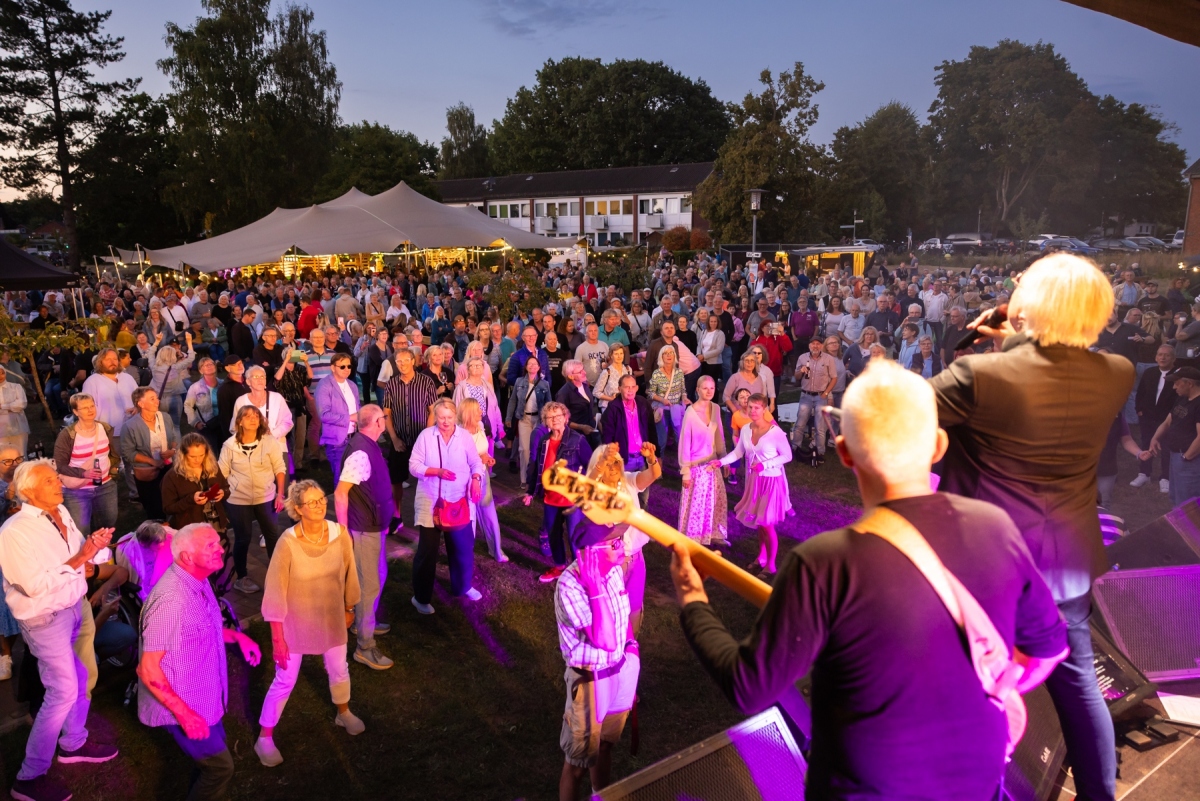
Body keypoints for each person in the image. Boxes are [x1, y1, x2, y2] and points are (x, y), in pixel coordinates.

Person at [671, 360, 1069, 800]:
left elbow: (748, 685)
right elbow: (1047, 649)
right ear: (938, 446)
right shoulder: (996, 527)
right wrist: (988, 688)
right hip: (976, 782)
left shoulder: (825, 564)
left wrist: (692, 600)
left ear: (844, 452)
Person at [930, 254, 1134, 801]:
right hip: (1066, 563)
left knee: (973, 691)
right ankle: (1100, 794)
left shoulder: (980, 375)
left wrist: (990, 341)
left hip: (986, 567)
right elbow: (1047, 375)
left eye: (1022, 285)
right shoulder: (1117, 373)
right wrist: (1015, 339)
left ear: (1029, 306)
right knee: (1080, 686)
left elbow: (908, 415)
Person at [0, 459, 118, 801]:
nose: (59, 483)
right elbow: (35, 586)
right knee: (63, 689)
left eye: (56, 478)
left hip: (76, 607)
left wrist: (94, 547)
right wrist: (82, 557)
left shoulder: (62, 513)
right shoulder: (13, 533)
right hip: (45, 619)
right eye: (50, 480)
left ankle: (73, 744)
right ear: (29, 491)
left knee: (80, 678)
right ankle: (29, 778)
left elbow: (80, 553)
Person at [138, 523, 262, 801]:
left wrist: (238, 638)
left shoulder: (197, 578)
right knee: (219, 768)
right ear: (186, 557)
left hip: (205, 696)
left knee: (211, 764)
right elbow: (147, 668)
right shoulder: (170, 600)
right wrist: (184, 714)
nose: (221, 548)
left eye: (218, 542)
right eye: (211, 546)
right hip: (185, 702)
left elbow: (202, 627)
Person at [254, 480, 363, 767]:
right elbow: (275, 590)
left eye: (321, 500)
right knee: (285, 679)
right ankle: (264, 737)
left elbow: (350, 572)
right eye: (312, 502)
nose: (319, 505)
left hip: (331, 616)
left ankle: (343, 712)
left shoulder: (340, 534)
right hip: (296, 621)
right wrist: (277, 637)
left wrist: (349, 606)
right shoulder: (288, 542)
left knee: (339, 668)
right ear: (298, 509)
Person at [554, 517, 640, 801]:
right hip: (591, 683)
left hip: (619, 672)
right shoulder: (570, 586)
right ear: (590, 553)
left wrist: (631, 648)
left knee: (605, 746)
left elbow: (623, 611)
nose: (621, 546)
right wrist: (594, 587)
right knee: (577, 764)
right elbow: (603, 638)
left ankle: (599, 796)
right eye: (614, 543)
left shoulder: (614, 569)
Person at [408, 399, 485, 614]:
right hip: (431, 501)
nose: (445, 422)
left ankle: (463, 586)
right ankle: (421, 597)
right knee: (427, 552)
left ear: (455, 418)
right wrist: (436, 471)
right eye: (441, 417)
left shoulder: (465, 438)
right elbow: (413, 466)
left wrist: (477, 478)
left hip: (458, 502)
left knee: (461, 548)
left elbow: (475, 463)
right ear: (435, 416)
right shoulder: (426, 436)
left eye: (449, 418)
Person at [333, 405, 395, 670]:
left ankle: (363, 622)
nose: (385, 421)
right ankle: (364, 646)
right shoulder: (360, 452)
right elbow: (340, 492)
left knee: (378, 576)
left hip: (374, 526)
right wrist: (344, 531)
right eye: (384, 417)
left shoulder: (367, 443)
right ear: (377, 422)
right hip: (363, 529)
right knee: (368, 585)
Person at [713, 393, 792, 575]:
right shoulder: (747, 429)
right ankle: (762, 556)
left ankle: (771, 565)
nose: (753, 410)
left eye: (757, 407)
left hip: (772, 481)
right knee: (760, 522)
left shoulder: (776, 433)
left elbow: (787, 456)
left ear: (764, 409)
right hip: (755, 481)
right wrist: (721, 462)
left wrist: (765, 464)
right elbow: (738, 452)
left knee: (766, 523)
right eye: (750, 407)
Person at [218, 405, 286, 593]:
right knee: (243, 538)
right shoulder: (230, 446)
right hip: (239, 499)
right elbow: (221, 473)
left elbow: (279, 468)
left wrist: (280, 494)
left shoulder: (269, 442)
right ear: (239, 421)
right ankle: (242, 577)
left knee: (272, 535)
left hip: (266, 496)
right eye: (247, 416)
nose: (253, 419)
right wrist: (220, 492)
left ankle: (278, 573)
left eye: (256, 415)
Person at [526, 401, 593, 583]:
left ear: (565, 418)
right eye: (550, 417)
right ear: (545, 422)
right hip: (550, 499)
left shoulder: (577, 440)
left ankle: (580, 571)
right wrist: (531, 491)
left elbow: (591, 466)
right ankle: (559, 566)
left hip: (572, 500)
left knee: (574, 537)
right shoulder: (544, 441)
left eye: (558, 416)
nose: (555, 420)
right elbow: (536, 468)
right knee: (553, 535)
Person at [55, 393, 119, 537]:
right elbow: (60, 466)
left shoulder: (105, 428)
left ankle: (105, 557)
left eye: (92, 406)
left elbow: (110, 453)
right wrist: (83, 474)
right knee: (80, 532)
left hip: (105, 485)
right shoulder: (67, 435)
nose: (90, 410)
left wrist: (113, 469)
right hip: (77, 491)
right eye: (84, 408)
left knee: (107, 527)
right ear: (76, 412)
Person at [678, 376, 728, 547]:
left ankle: (715, 534)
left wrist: (724, 459)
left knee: (717, 500)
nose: (708, 391)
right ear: (698, 390)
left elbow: (719, 435)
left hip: (713, 464)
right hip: (696, 467)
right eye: (705, 388)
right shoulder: (690, 413)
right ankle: (694, 537)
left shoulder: (715, 408)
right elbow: (685, 443)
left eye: (712, 388)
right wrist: (685, 471)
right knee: (698, 505)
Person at [121, 387, 179, 521]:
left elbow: (174, 437)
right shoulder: (130, 426)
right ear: (140, 404)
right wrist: (152, 461)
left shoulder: (165, 417)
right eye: (152, 399)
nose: (157, 401)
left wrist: (173, 450)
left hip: (168, 468)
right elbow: (128, 453)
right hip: (148, 473)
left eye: (156, 398)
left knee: (172, 503)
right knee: (154, 509)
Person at [458, 398, 506, 562]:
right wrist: (480, 458)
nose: (481, 412)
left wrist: (488, 457)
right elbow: (460, 459)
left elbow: (482, 450)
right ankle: (466, 554)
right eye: (478, 409)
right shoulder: (459, 433)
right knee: (469, 516)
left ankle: (496, 550)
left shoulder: (480, 427)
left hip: (483, 475)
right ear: (469, 412)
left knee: (489, 513)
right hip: (468, 479)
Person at [1147, 367, 1200, 508]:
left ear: (1189, 383)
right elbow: (1167, 421)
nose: (1174, 387)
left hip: (1190, 461)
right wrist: (1155, 438)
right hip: (1176, 456)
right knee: (1176, 499)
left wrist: (1187, 457)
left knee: (1189, 504)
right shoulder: (1182, 399)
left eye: (1177, 383)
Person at [161, 433, 229, 532]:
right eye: (192, 456)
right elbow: (168, 508)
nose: (198, 460)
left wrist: (223, 492)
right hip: (191, 529)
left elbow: (226, 488)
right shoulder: (172, 477)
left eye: (201, 455)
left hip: (216, 523)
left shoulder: (212, 467)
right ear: (183, 455)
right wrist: (191, 499)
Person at [1131, 344, 1177, 492]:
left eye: (1167, 355)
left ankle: (1165, 477)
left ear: (1173, 358)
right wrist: (1139, 410)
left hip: (1167, 419)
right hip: (1148, 417)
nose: (1162, 357)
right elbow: (1141, 392)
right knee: (1146, 443)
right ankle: (1144, 473)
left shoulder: (1178, 376)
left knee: (1166, 447)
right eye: (1160, 354)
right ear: (1156, 357)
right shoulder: (1149, 372)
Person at [231, 365, 294, 468]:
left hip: (277, 447)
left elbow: (287, 421)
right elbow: (235, 427)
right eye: (255, 377)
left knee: (281, 482)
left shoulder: (277, 398)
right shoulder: (241, 401)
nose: (260, 379)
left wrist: (273, 434)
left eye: (262, 376)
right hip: (251, 451)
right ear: (248, 381)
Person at [506, 356, 552, 491]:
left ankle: (537, 479)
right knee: (524, 449)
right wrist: (508, 417)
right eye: (529, 364)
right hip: (523, 419)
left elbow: (549, 404)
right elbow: (512, 401)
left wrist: (549, 421)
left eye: (535, 364)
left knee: (538, 449)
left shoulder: (545, 384)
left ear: (539, 367)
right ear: (526, 367)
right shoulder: (519, 382)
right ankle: (525, 480)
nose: (532, 366)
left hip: (539, 421)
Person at [790, 337, 838, 460]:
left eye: (818, 344)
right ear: (809, 346)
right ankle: (795, 448)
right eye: (813, 344)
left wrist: (826, 393)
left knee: (820, 426)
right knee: (800, 424)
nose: (815, 346)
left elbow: (834, 378)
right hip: (805, 395)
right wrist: (800, 371)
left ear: (822, 346)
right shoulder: (802, 358)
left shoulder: (829, 359)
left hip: (820, 396)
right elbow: (796, 376)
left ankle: (820, 452)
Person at [314, 353, 359, 484]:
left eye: (349, 366)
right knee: (341, 478)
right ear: (333, 368)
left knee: (353, 477)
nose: (347, 369)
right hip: (336, 441)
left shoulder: (352, 385)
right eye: (342, 366)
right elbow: (324, 415)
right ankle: (340, 504)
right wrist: (350, 418)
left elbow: (357, 407)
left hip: (354, 437)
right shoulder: (324, 385)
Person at [647, 346, 687, 450]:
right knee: (662, 440)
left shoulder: (679, 372)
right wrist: (662, 400)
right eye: (666, 353)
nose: (669, 355)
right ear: (661, 357)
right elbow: (651, 393)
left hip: (676, 408)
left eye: (671, 352)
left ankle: (682, 462)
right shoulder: (657, 373)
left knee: (680, 436)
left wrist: (684, 397)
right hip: (662, 409)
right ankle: (659, 462)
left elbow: (683, 390)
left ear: (675, 355)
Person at [152, 333, 195, 429]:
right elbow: (191, 358)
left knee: (161, 428)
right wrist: (189, 342)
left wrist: (156, 342)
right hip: (175, 399)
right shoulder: (176, 367)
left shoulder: (154, 367)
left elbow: (150, 354)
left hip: (159, 399)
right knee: (176, 427)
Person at [0, 364, 29, 456]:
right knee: (4, 454)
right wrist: (11, 408)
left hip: (17, 425)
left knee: (20, 452)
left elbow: (21, 404)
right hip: (1, 428)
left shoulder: (16, 387)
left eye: (2, 373)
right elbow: (16, 405)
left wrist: (2, 407)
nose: (0, 376)